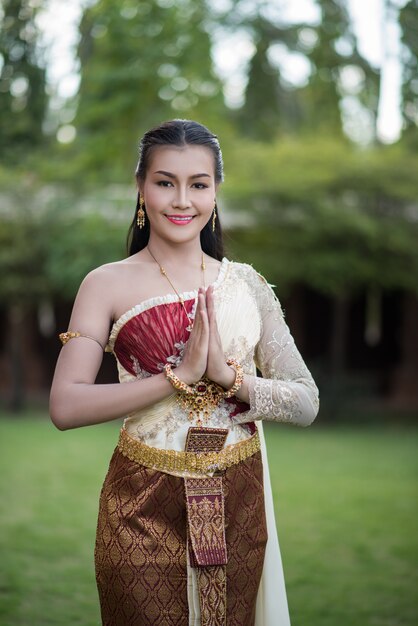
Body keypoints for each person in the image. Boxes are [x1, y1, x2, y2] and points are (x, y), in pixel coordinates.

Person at [50, 119, 319, 626]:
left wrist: (229, 377)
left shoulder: (247, 286)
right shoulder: (104, 284)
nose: (181, 201)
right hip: (141, 506)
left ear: (216, 190)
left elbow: (306, 402)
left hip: (240, 499)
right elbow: (65, 405)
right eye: (164, 182)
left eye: (198, 184)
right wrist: (178, 376)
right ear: (140, 186)